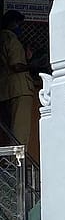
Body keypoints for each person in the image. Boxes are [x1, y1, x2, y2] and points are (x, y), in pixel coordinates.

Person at [0, 10, 35, 148]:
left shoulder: (3, 38)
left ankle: (10, 163)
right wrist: (32, 65)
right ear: (13, 23)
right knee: (20, 131)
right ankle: (18, 164)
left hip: (6, 91)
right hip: (20, 90)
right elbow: (16, 65)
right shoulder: (12, 39)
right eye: (19, 24)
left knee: (8, 131)